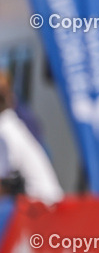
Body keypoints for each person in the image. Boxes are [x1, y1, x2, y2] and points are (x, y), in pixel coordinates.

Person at [0, 73, 62, 204]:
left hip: (37, 209)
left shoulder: (5, 130)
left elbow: (4, 183)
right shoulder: (13, 122)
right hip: (42, 204)